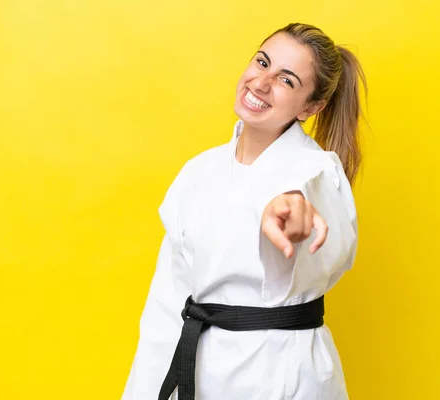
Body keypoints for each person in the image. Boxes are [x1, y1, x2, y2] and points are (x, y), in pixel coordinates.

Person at [122, 22, 369, 400]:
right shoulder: (198, 171)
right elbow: (168, 302)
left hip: (281, 375)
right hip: (198, 371)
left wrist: (289, 207)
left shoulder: (317, 173)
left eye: (286, 80)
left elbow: (307, 204)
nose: (261, 82)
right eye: (262, 62)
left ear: (311, 107)